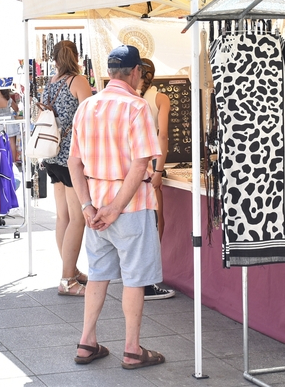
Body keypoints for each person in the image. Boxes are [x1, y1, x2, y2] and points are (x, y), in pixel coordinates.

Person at [68, 44, 166, 369]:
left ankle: (86, 341)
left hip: (95, 206)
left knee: (97, 274)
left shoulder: (87, 106)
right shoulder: (136, 107)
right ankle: (132, 348)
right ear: (136, 72)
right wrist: (115, 208)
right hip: (131, 205)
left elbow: (74, 163)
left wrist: (87, 206)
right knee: (135, 278)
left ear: (109, 72)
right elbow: (141, 166)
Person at [42, 40, 93, 297]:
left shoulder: (50, 83)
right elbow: (90, 114)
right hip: (71, 157)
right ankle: (67, 279)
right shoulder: (78, 81)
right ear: (75, 55)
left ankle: (69, 270)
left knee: (62, 216)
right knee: (77, 218)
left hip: (50, 155)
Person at [138, 58, 176, 300]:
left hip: (130, 164)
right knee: (155, 220)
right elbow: (163, 136)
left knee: (138, 221)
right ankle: (149, 279)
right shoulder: (160, 98)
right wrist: (159, 171)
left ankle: (137, 275)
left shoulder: (129, 97)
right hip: (151, 163)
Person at [0, 88, 20, 161]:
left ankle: (2, 162)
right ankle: (13, 162)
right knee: (12, 143)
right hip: (9, 120)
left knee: (0, 142)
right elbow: (16, 109)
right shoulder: (9, 99)